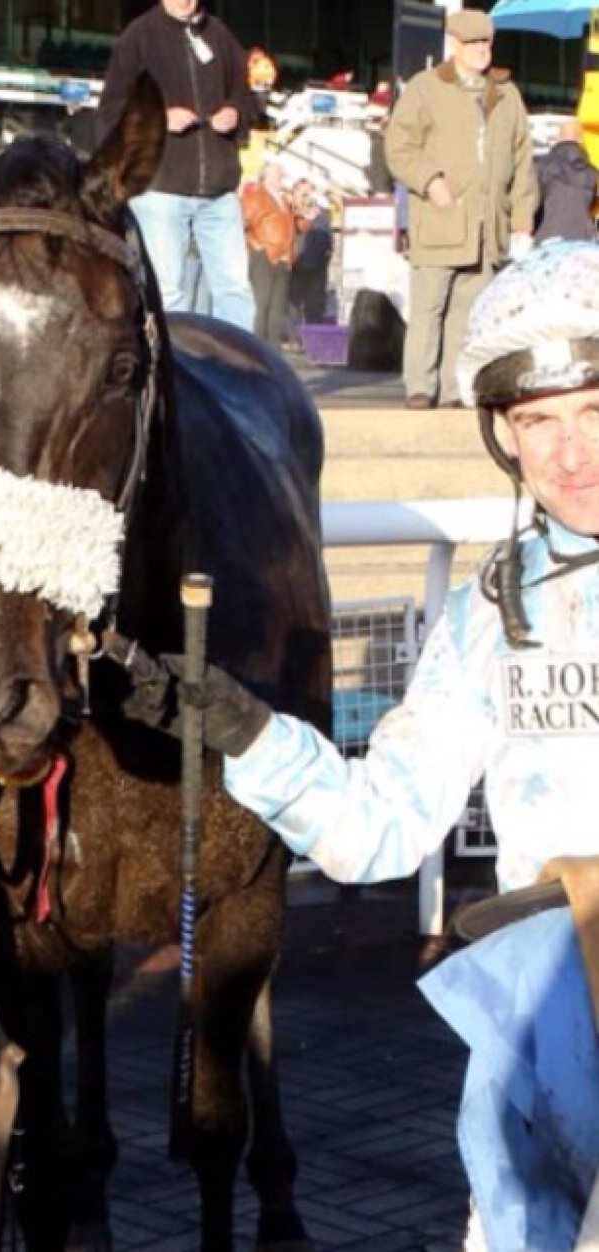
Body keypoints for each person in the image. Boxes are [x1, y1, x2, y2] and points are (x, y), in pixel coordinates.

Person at [105, 239, 599, 1252]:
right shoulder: (486, 617)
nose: (568, 454)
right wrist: (244, 729)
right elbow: (377, 832)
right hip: (547, 1089)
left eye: (593, 411)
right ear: (503, 434)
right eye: (536, 420)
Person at [385, 7, 537, 410]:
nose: (480, 50)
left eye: (485, 42)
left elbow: (523, 161)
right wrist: (430, 181)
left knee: (467, 316)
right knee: (428, 311)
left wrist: (521, 217)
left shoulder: (507, 94)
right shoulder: (425, 88)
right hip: (440, 223)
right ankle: (420, 387)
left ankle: (455, 390)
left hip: (489, 231)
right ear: (453, 44)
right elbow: (398, 146)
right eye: (471, 42)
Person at [96, 0, 256, 329]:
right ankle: (177, 370)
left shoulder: (220, 36)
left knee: (235, 290)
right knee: (168, 293)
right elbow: (110, 109)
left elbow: (246, 97)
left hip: (218, 189)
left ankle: (239, 368)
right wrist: (159, 118)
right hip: (160, 188)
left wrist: (236, 114)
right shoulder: (138, 37)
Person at [240, 160, 295, 347]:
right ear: (267, 175)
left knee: (277, 310)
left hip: (282, 257)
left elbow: (291, 227)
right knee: (261, 306)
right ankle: (256, 348)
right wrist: (255, 244)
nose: (282, 176)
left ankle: (272, 351)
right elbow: (241, 223)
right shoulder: (256, 197)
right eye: (278, 172)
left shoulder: (282, 199)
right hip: (264, 256)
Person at [534, 117, 598, 244]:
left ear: (558, 137)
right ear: (581, 140)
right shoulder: (593, 173)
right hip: (583, 243)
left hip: (546, 241)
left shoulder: (540, 165)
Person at [288, 177, 333, 326]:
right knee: (292, 308)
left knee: (315, 308)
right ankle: (292, 338)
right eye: (303, 195)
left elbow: (327, 240)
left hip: (317, 269)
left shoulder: (322, 215)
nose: (307, 199)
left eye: (309, 194)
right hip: (295, 267)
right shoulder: (289, 214)